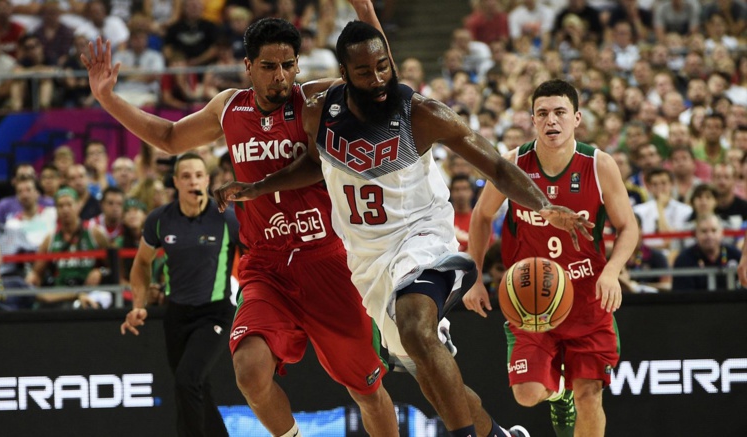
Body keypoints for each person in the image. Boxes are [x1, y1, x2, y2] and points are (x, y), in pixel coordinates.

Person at [216, 23, 593, 437]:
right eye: (364, 72)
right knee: (430, 376)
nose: (378, 80)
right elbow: (313, 163)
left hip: (423, 237)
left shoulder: (422, 113)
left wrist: (544, 205)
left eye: (383, 67)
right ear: (344, 74)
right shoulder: (318, 112)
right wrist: (258, 187)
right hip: (368, 261)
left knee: (415, 325)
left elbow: (499, 166)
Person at [83, 4, 401, 436]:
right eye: (269, 67)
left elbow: (378, 79)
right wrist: (108, 98)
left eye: (288, 65)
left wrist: (365, 8)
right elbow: (170, 138)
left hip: (325, 260)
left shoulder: (314, 100)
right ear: (248, 66)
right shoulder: (228, 108)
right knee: (249, 373)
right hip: (266, 267)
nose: (280, 76)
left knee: (366, 390)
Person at [464, 79, 639, 437]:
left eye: (559, 112)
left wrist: (612, 272)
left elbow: (629, 228)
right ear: (532, 120)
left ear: (576, 118)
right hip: (532, 299)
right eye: (542, 113)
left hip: (588, 297)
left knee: (589, 395)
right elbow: (481, 216)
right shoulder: (513, 164)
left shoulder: (598, 164)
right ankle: (559, 394)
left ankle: (570, 394)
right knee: (527, 395)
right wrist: (474, 276)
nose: (551, 121)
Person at [121, 153, 239, 437]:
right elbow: (142, 263)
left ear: (208, 180)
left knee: (187, 381)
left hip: (215, 313)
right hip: (176, 316)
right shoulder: (161, 219)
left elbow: (257, 257)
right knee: (194, 387)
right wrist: (138, 304)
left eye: (198, 175)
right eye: (185, 176)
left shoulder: (226, 218)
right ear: (175, 182)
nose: (193, 181)